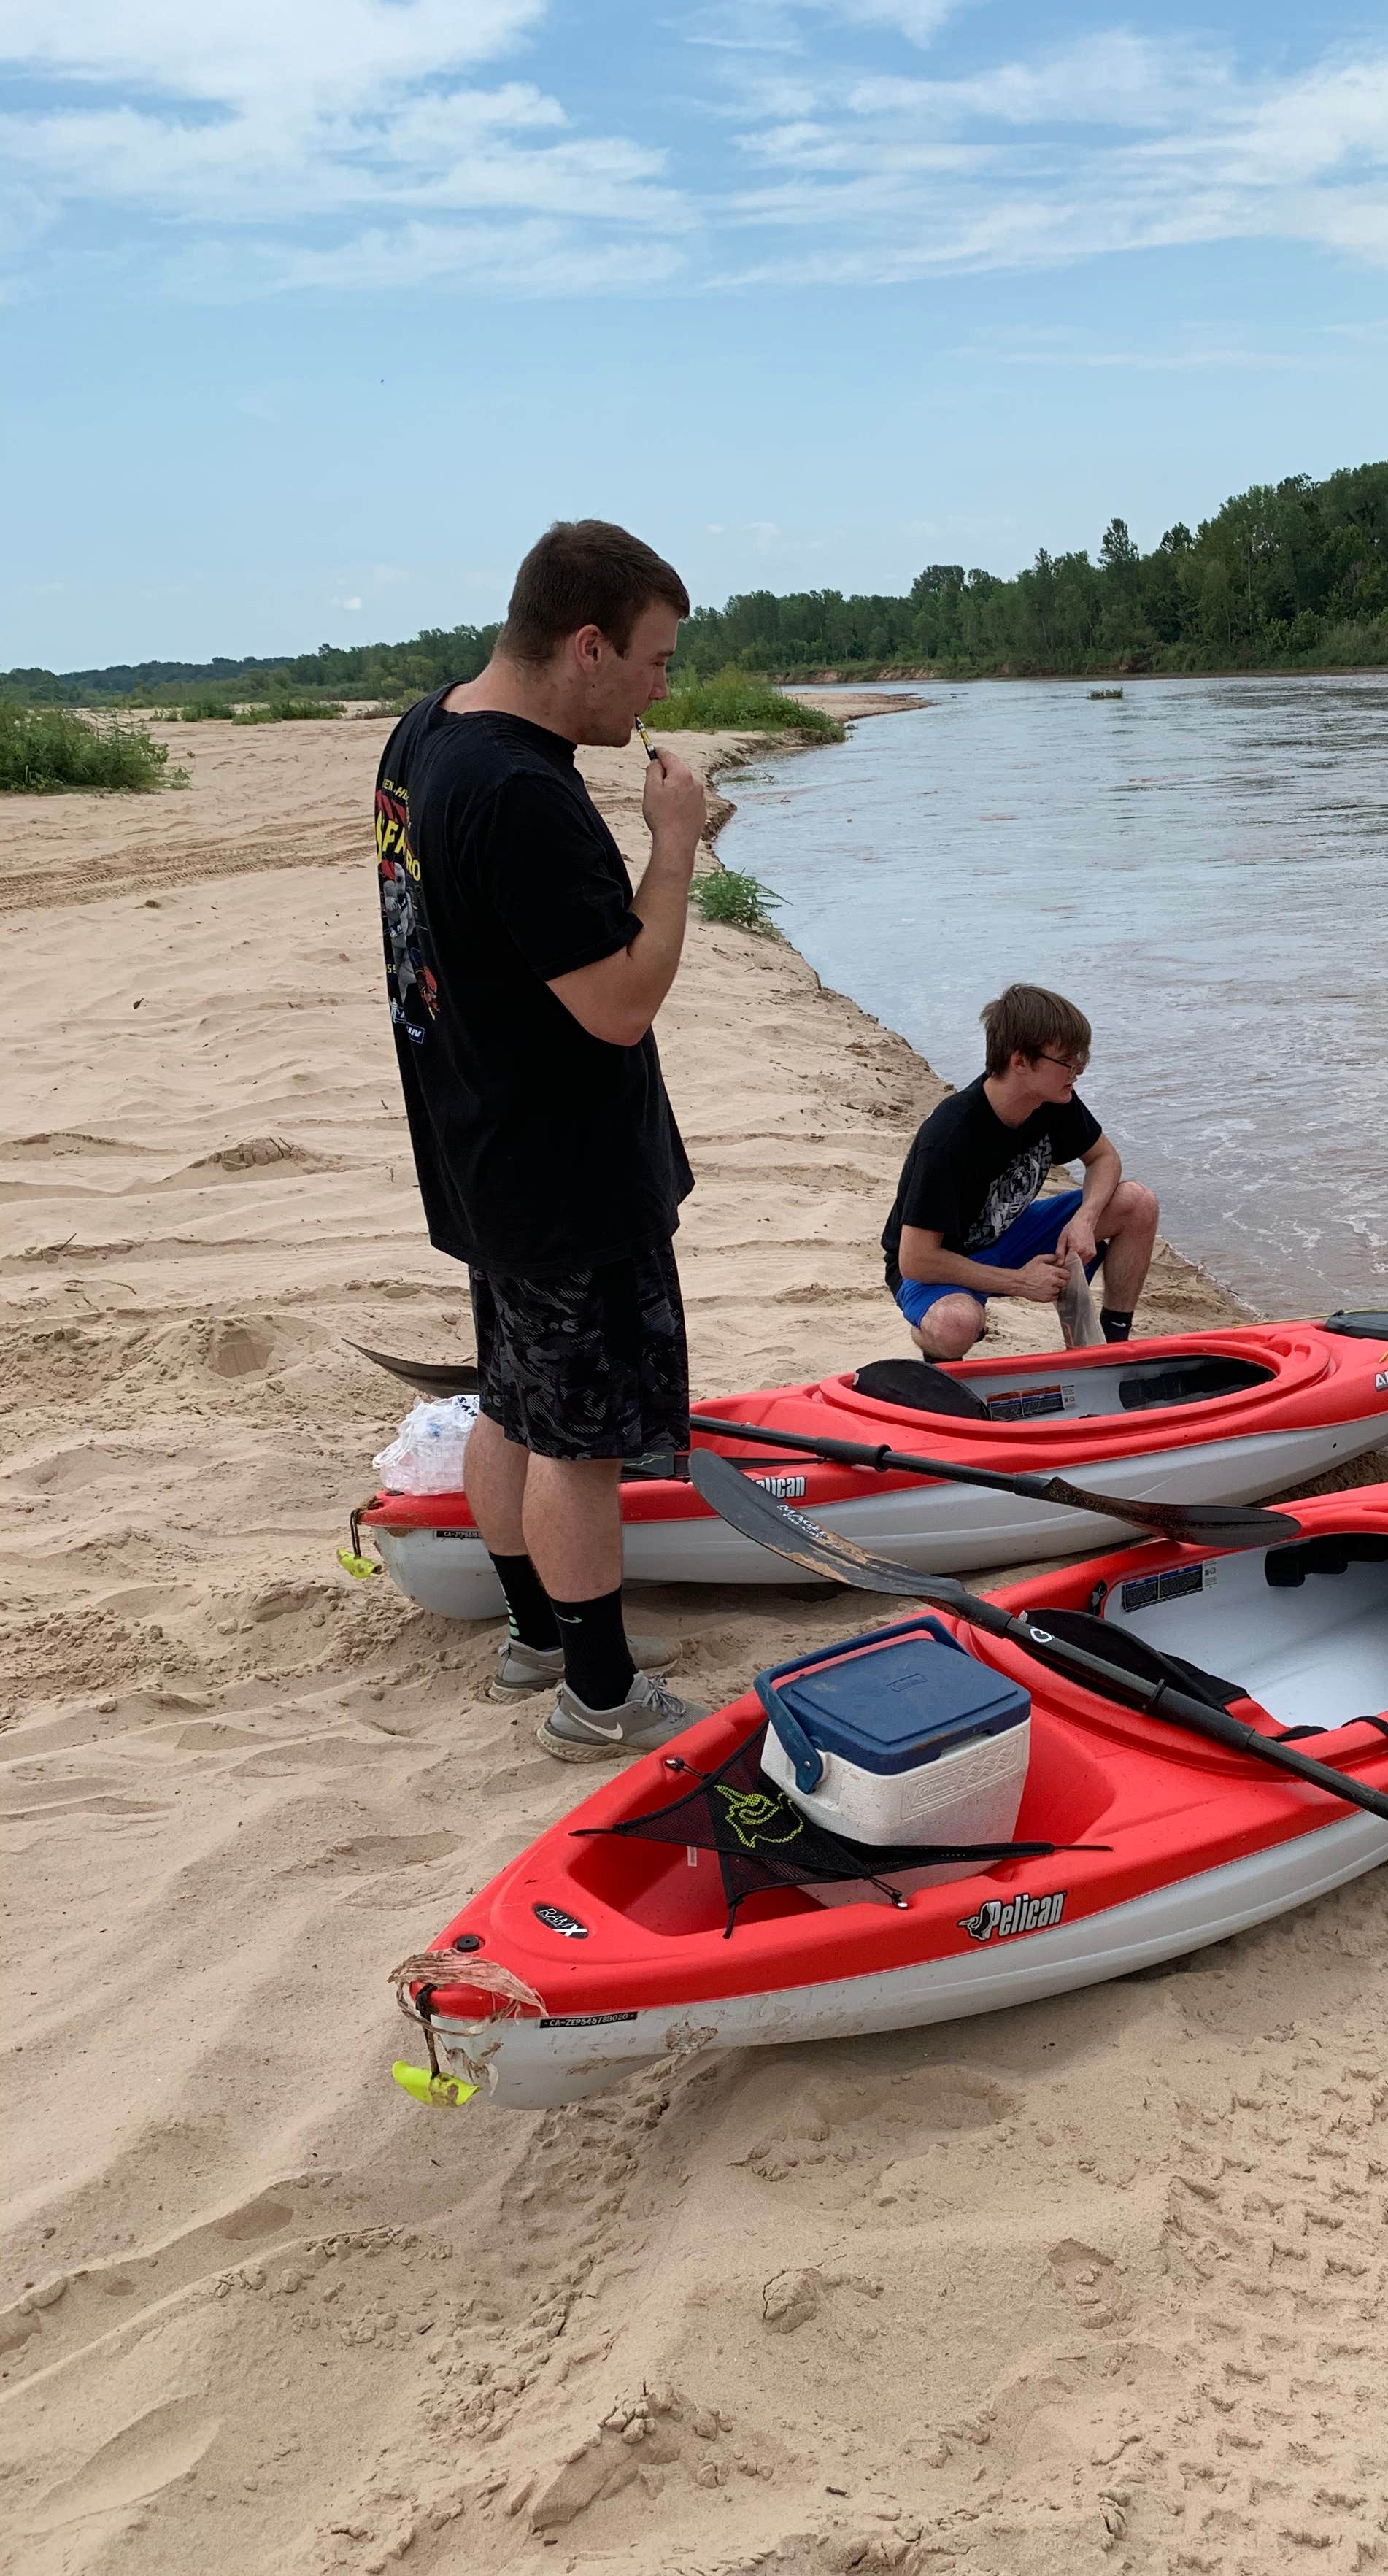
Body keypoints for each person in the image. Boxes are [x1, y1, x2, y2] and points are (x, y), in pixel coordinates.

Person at [373, 517, 714, 1759]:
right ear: (588, 647)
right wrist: (673, 848)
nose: (660, 688)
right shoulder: (521, 791)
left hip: (479, 1148)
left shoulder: (427, 732)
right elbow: (619, 1003)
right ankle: (600, 1699)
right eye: (655, 659)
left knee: (513, 1403)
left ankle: (540, 1638)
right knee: (582, 1440)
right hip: (562, 1176)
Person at [880, 986, 1158, 1360]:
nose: (1078, 1071)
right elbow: (917, 1259)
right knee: (954, 1325)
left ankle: (1113, 1346)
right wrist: (1020, 1282)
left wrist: (1085, 1219)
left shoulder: (1053, 1099)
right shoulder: (948, 1137)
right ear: (1020, 1062)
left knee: (1137, 1202)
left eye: (1081, 1058)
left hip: (1009, 1235)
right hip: (939, 1264)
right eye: (1067, 1061)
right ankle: (938, 1357)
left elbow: (1104, 1158)